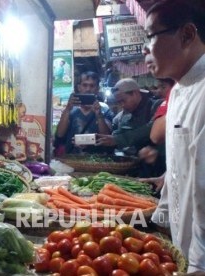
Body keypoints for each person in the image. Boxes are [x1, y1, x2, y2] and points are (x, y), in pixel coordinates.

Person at [142, 0, 205, 272]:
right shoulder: (178, 91)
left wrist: (197, 265)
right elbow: (179, 167)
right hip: (182, 247)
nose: (145, 48)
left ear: (187, 34)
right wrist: (163, 219)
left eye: (151, 36)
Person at [96, 78, 162, 159]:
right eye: (119, 102)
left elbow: (150, 129)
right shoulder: (126, 115)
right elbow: (118, 134)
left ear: (135, 93)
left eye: (123, 101)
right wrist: (105, 140)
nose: (122, 105)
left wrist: (117, 140)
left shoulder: (157, 106)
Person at [54, 71, 114, 156]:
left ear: (97, 89)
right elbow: (60, 134)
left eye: (92, 86)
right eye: (85, 85)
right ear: (79, 87)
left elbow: (106, 137)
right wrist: (67, 109)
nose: (88, 89)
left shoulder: (104, 109)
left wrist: (99, 115)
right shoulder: (71, 109)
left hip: (97, 160)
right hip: (72, 159)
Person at [138, 78, 175, 179]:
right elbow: (155, 136)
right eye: (158, 87)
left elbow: (155, 136)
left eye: (163, 87)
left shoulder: (174, 99)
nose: (159, 91)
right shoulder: (162, 103)